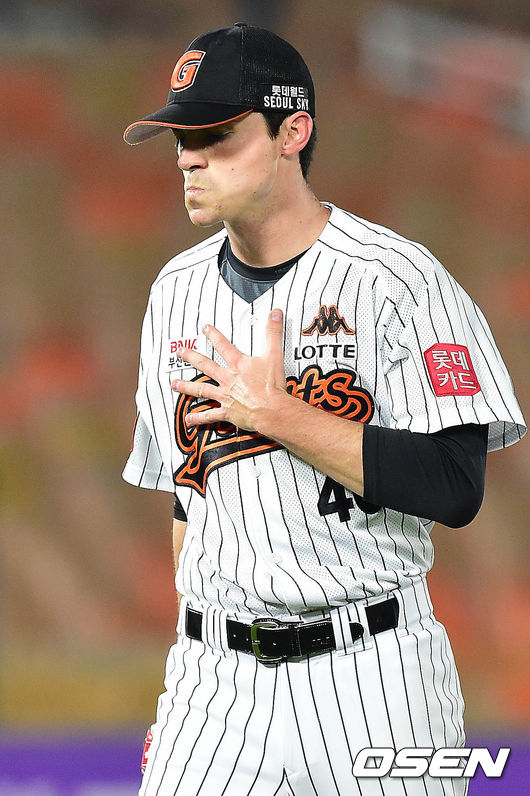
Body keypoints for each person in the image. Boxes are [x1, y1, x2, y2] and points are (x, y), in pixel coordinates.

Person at [122, 22, 526, 796]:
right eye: (180, 137)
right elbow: (187, 499)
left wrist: (281, 416)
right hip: (214, 684)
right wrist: (187, 687)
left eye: (215, 134)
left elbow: (455, 483)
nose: (187, 157)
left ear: (292, 132)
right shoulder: (173, 292)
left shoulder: (396, 281)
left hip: (373, 673)